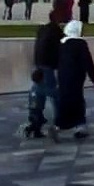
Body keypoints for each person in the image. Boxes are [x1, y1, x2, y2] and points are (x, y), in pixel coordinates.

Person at [55, 20, 94, 140]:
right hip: (76, 76)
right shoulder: (80, 44)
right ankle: (79, 126)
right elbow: (87, 62)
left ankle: (60, 124)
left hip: (63, 75)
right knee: (78, 100)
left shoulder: (63, 43)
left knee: (64, 99)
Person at [32, 10, 64, 139]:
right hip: (48, 67)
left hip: (39, 66)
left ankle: (36, 122)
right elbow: (59, 50)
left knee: (39, 95)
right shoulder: (56, 31)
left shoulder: (42, 29)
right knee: (54, 95)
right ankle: (57, 122)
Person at [18, 69, 49, 139]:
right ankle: (29, 129)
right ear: (41, 79)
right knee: (37, 122)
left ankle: (37, 133)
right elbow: (34, 98)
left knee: (40, 121)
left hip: (37, 108)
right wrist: (34, 107)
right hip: (35, 108)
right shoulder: (38, 88)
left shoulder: (36, 87)